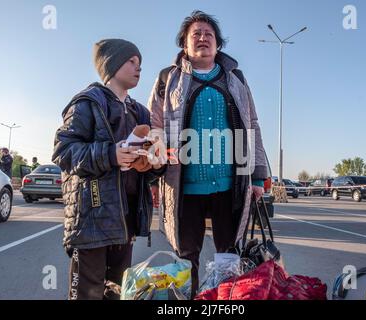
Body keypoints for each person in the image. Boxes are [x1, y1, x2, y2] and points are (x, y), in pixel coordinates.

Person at [148, 10, 269, 298]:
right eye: (196, 34)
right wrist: (153, 176)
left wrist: (258, 175)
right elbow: (154, 126)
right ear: (185, 45)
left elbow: (251, 125)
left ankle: (223, 300)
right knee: (186, 254)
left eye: (209, 34)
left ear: (217, 44)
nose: (203, 38)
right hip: (183, 185)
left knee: (228, 255)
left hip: (230, 184)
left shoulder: (235, 79)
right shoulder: (169, 79)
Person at [52, 39, 161, 300]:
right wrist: (110, 154)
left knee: (117, 294)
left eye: (140, 64)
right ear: (111, 64)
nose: (139, 68)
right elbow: (63, 151)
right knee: (86, 294)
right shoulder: (88, 102)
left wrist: (155, 164)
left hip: (126, 220)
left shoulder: (141, 112)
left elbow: (147, 172)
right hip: (91, 219)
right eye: (131, 61)